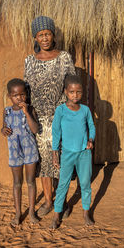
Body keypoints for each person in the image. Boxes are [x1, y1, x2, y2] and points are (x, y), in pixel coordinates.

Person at [24, 16, 76, 216]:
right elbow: (26, 91)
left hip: (61, 117)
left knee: (61, 162)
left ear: (53, 35)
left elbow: (72, 85)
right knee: (44, 163)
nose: (44, 38)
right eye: (40, 35)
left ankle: (61, 202)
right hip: (40, 122)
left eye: (47, 34)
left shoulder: (64, 57)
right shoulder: (29, 61)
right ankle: (47, 201)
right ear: (35, 38)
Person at [50, 75, 96, 229]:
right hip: (67, 153)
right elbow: (56, 132)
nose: (75, 95)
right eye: (71, 92)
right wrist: (54, 154)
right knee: (63, 184)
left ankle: (86, 213)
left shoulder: (85, 110)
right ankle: (56, 216)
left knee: (85, 184)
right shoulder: (61, 110)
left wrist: (91, 139)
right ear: (65, 92)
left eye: (78, 92)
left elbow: (91, 126)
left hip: (84, 153)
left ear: (82, 92)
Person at [1, 78, 39, 225]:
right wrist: (3, 130)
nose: (20, 98)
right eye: (16, 95)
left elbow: (35, 130)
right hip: (14, 151)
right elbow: (3, 128)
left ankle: (31, 212)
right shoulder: (7, 111)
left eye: (23, 95)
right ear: (10, 96)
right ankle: (17, 213)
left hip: (30, 150)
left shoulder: (30, 109)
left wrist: (27, 112)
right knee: (17, 182)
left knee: (30, 182)